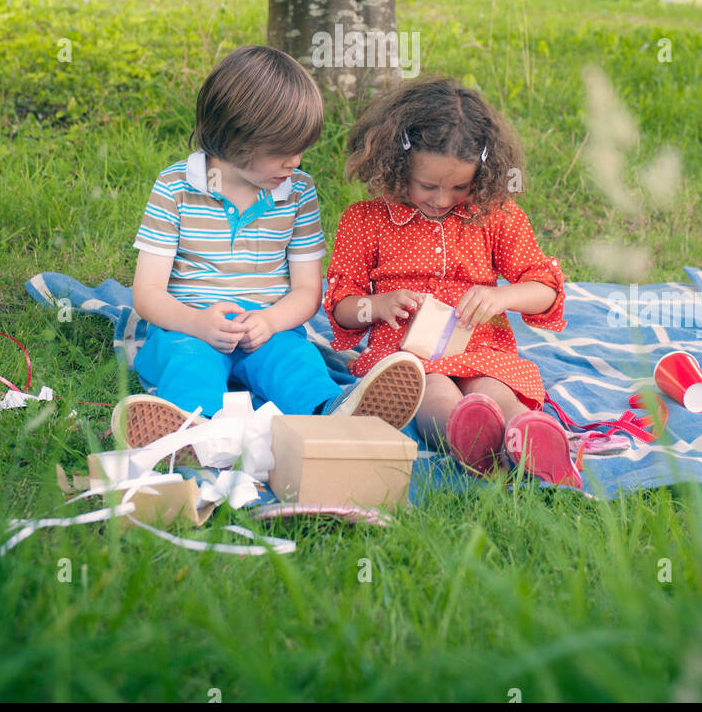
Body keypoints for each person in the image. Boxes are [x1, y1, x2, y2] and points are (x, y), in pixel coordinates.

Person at [115, 46, 425, 450]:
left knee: (296, 364)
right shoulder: (175, 188)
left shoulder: (297, 192)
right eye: (282, 151)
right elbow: (148, 292)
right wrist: (198, 324)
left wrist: (272, 322)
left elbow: (307, 291)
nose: (294, 162)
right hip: (187, 328)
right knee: (188, 365)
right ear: (236, 140)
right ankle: (192, 433)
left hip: (271, 329)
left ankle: (333, 413)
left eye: (301, 150)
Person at [322, 74, 581, 486]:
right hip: (407, 354)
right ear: (398, 162)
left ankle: (531, 437)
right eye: (428, 185)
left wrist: (502, 298)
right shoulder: (365, 221)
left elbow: (544, 289)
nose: (442, 200)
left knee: (493, 391)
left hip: (479, 343)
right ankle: (468, 438)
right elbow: (341, 305)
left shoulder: (494, 214)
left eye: (459, 186)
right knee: (436, 391)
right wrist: (380, 303)